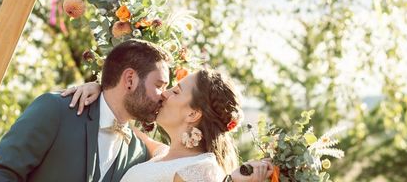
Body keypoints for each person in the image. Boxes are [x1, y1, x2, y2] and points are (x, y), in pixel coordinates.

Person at [0, 39, 172, 181]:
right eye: (160, 85)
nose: (164, 95)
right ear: (130, 80)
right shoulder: (55, 110)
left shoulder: (139, 152)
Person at [65, 66, 273, 182]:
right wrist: (103, 91)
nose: (164, 93)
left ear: (193, 113)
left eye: (175, 91)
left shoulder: (200, 170)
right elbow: (125, 124)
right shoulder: (165, 155)